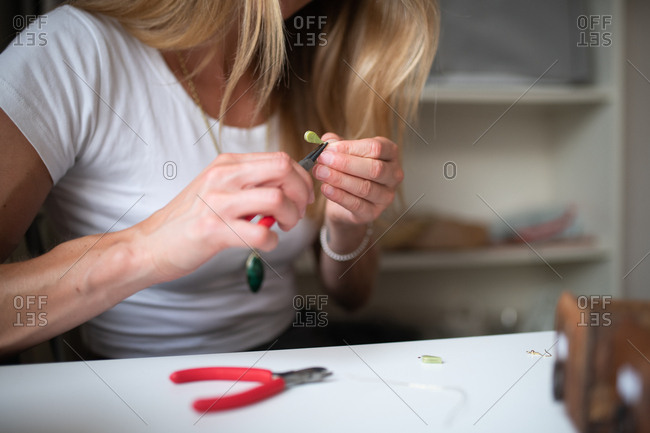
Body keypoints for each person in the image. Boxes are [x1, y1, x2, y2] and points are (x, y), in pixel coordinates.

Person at [0, 0, 438, 358]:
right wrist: (142, 249)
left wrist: (347, 224)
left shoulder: (314, 62)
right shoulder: (73, 51)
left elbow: (351, 297)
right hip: (134, 382)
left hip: (288, 360)